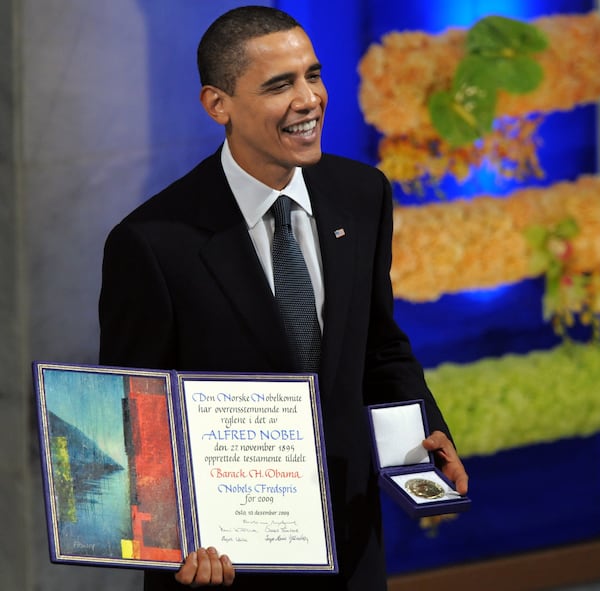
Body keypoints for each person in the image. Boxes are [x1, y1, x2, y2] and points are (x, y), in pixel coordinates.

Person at [98, 5, 468, 591]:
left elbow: (378, 342)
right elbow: (131, 421)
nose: (309, 99)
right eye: (280, 85)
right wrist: (171, 541)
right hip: (223, 567)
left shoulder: (362, 194)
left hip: (351, 548)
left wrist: (426, 431)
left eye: (313, 76)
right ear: (217, 104)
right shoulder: (151, 243)